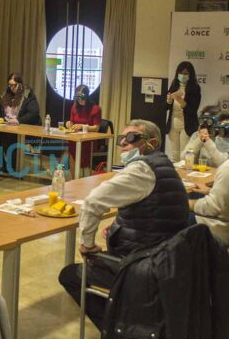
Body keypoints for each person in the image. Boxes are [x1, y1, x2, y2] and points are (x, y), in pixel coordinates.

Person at [59, 119, 189, 331]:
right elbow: (152, 210)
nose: (123, 143)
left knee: (70, 275)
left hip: (143, 266)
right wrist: (119, 226)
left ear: (152, 143)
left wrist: (87, 244)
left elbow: (92, 203)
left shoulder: (141, 170)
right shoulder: (164, 165)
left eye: (132, 138)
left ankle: (117, 328)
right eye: (122, 138)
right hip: (167, 261)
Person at [0, 73, 40, 173]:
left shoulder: (28, 95)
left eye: (14, 85)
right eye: (9, 85)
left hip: (21, 126)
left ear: (20, 84)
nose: (11, 88)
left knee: (9, 138)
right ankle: (2, 164)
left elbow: (33, 112)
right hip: (6, 125)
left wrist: (18, 120)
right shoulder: (6, 94)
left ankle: (12, 166)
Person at [166, 61, 201, 162]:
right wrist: (169, 100)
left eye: (185, 73)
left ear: (190, 75)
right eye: (180, 73)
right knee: (175, 156)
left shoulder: (195, 88)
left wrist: (180, 100)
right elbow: (165, 107)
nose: (182, 75)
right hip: (173, 124)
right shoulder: (174, 86)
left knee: (185, 156)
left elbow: (192, 110)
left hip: (187, 125)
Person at [65, 84, 101, 177]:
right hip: (76, 137)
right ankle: (74, 178)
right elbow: (72, 122)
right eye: (78, 97)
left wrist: (83, 126)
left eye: (82, 97)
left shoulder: (95, 109)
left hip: (88, 140)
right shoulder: (74, 107)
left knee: (80, 149)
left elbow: (96, 128)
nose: (80, 99)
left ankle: (85, 177)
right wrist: (69, 123)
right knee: (70, 148)